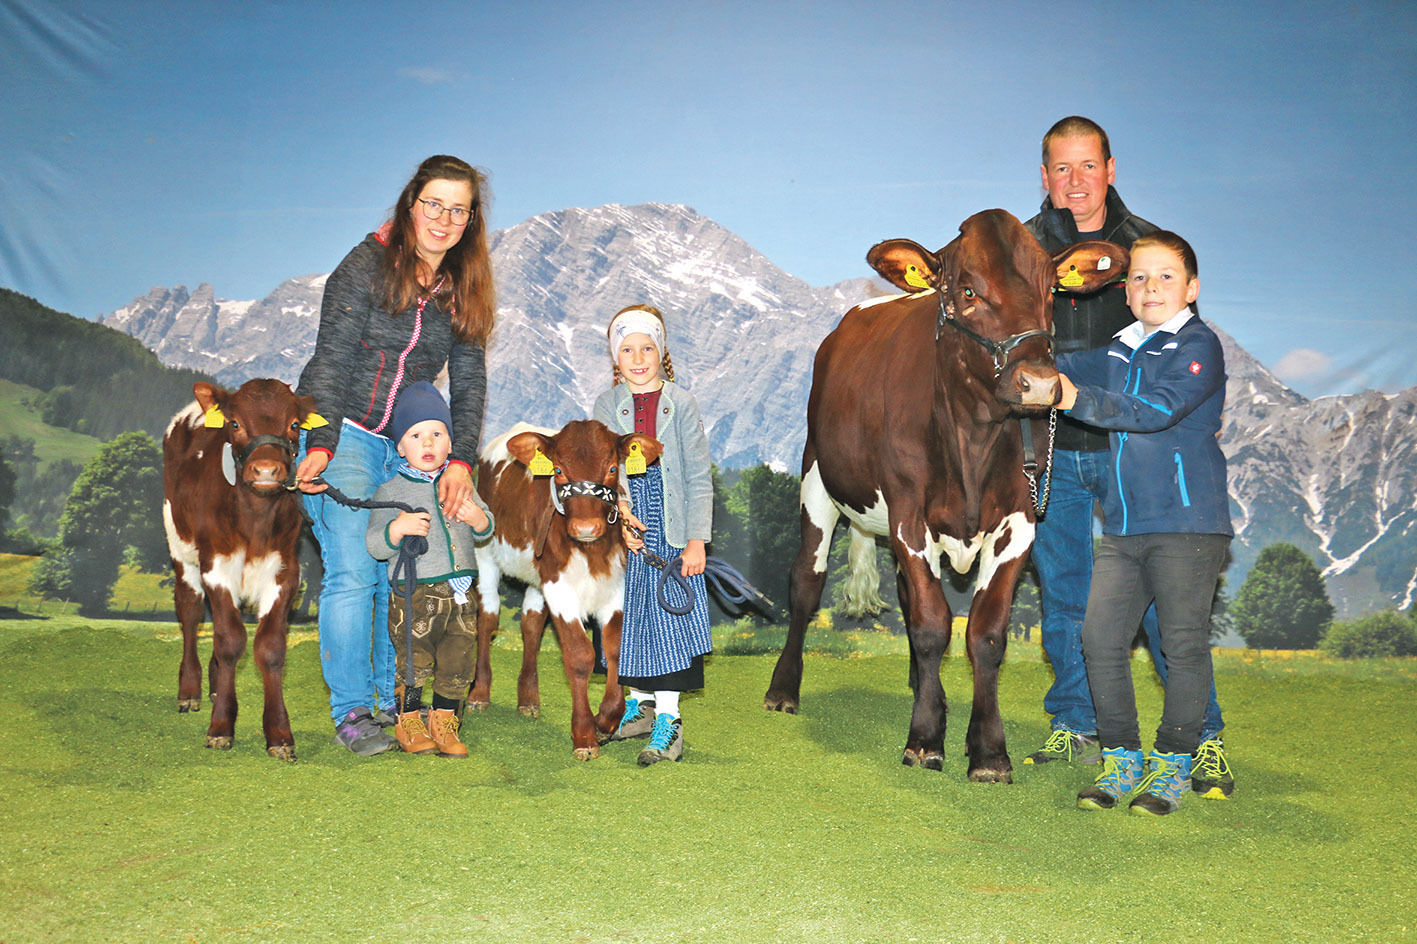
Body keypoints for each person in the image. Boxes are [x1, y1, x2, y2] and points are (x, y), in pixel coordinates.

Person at [1023, 117, 1232, 800]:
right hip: (1049, 452)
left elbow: (1148, 379)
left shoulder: (1147, 251)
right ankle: (1077, 725)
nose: (1075, 182)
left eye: (1088, 167)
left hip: (1131, 460)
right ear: (1045, 176)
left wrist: (1064, 384)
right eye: (1061, 169)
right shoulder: (1019, 251)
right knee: (1065, 596)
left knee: (1162, 615)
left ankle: (1200, 740)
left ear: (1110, 169)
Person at [295, 155, 496, 756]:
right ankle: (352, 711)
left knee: (398, 574)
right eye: (433, 203)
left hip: (412, 446)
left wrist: (459, 459)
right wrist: (323, 442)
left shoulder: (463, 285)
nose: (443, 218)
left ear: (470, 220)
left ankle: (394, 703)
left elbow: (468, 377)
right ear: (411, 203)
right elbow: (329, 358)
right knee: (356, 570)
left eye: (457, 209)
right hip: (348, 431)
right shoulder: (364, 266)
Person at [1056, 231, 1231, 815]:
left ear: (1192, 289)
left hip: (1189, 526)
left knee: (1181, 646)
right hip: (1124, 528)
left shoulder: (1198, 345)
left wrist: (1069, 397)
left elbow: (1154, 411)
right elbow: (1043, 359)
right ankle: (1120, 761)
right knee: (1099, 638)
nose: (1150, 286)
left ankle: (1173, 765)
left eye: (1165, 276)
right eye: (1138, 277)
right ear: (1125, 292)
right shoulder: (1116, 349)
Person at [592, 305, 713, 766]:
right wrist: (620, 514)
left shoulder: (681, 403)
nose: (637, 357)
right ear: (615, 358)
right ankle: (640, 710)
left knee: (668, 622)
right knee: (633, 621)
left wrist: (697, 539)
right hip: (627, 528)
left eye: (647, 347)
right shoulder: (608, 405)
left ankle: (669, 720)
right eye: (627, 349)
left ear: (661, 352)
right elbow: (606, 469)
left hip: (674, 527)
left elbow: (699, 476)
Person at [365, 381, 495, 757]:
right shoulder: (391, 491)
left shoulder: (462, 485)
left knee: (458, 661)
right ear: (400, 447)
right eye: (416, 435)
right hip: (414, 595)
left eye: (437, 434)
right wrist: (396, 529)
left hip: (461, 597)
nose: (427, 443)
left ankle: (444, 723)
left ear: (451, 445)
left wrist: (477, 518)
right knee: (414, 663)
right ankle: (409, 722)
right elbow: (375, 544)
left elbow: (488, 528)